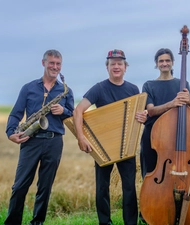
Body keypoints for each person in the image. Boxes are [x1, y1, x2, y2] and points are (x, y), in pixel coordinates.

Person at [73, 49, 147, 225]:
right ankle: (104, 222)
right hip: (103, 146)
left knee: (129, 187)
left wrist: (143, 116)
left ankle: (130, 222)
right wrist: (81, 138)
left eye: (119, 63)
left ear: (125, 67)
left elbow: (139, 115)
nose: (116, 66)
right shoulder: (99, 88)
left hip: (126, 146)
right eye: (112, 64)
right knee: (102, 187)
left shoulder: (133, 89)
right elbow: (78, 111)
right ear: (107, 67)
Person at [4, 49, 74, 225]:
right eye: (51, 63)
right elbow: (15, 114)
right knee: (19, 185)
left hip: (54, 141)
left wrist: (63, 111)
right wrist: (11, 133)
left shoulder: (65, 91)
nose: (55, 67)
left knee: (45, 187)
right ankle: (12, 222)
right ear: (43, 63)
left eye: (58, 64)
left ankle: (37, 222)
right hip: (31, 140)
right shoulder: (28, 88)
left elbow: (72, 116)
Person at [139, 48, 190, 224]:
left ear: (172, 63)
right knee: (151, 177)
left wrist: (189, 101)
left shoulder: (182, 83)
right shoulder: (149, 85)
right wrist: (172, 103)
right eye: (161, 61)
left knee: (175, 179)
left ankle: (176, 213)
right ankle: (149, 215)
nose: (164, 64)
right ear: (156, 64)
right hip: (153, 139)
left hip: (176, 139)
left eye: (167, 61)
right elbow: (151, 110)